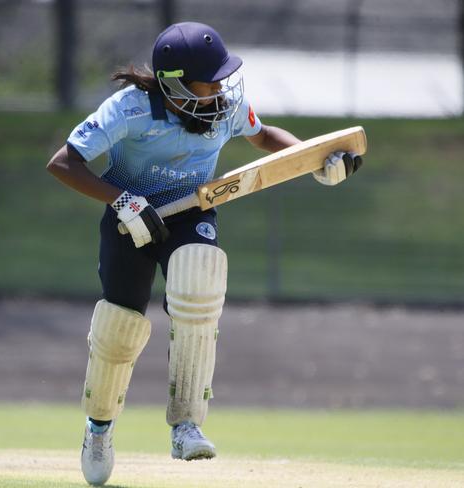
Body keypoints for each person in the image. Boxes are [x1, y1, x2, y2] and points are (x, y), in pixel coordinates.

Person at [47, 21, 362, 486]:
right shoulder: (130, 109)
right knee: (119, 328)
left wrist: (317, 160)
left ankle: (186, 425)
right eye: (208, 80)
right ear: (174, 83)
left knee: (199, 282)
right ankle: (99, 429)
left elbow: (265, 136)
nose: (220, 88)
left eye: (221, 78)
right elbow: (64, 163)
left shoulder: (226, 106)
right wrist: (122, 200)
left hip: (190, 211)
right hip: (130, 217)